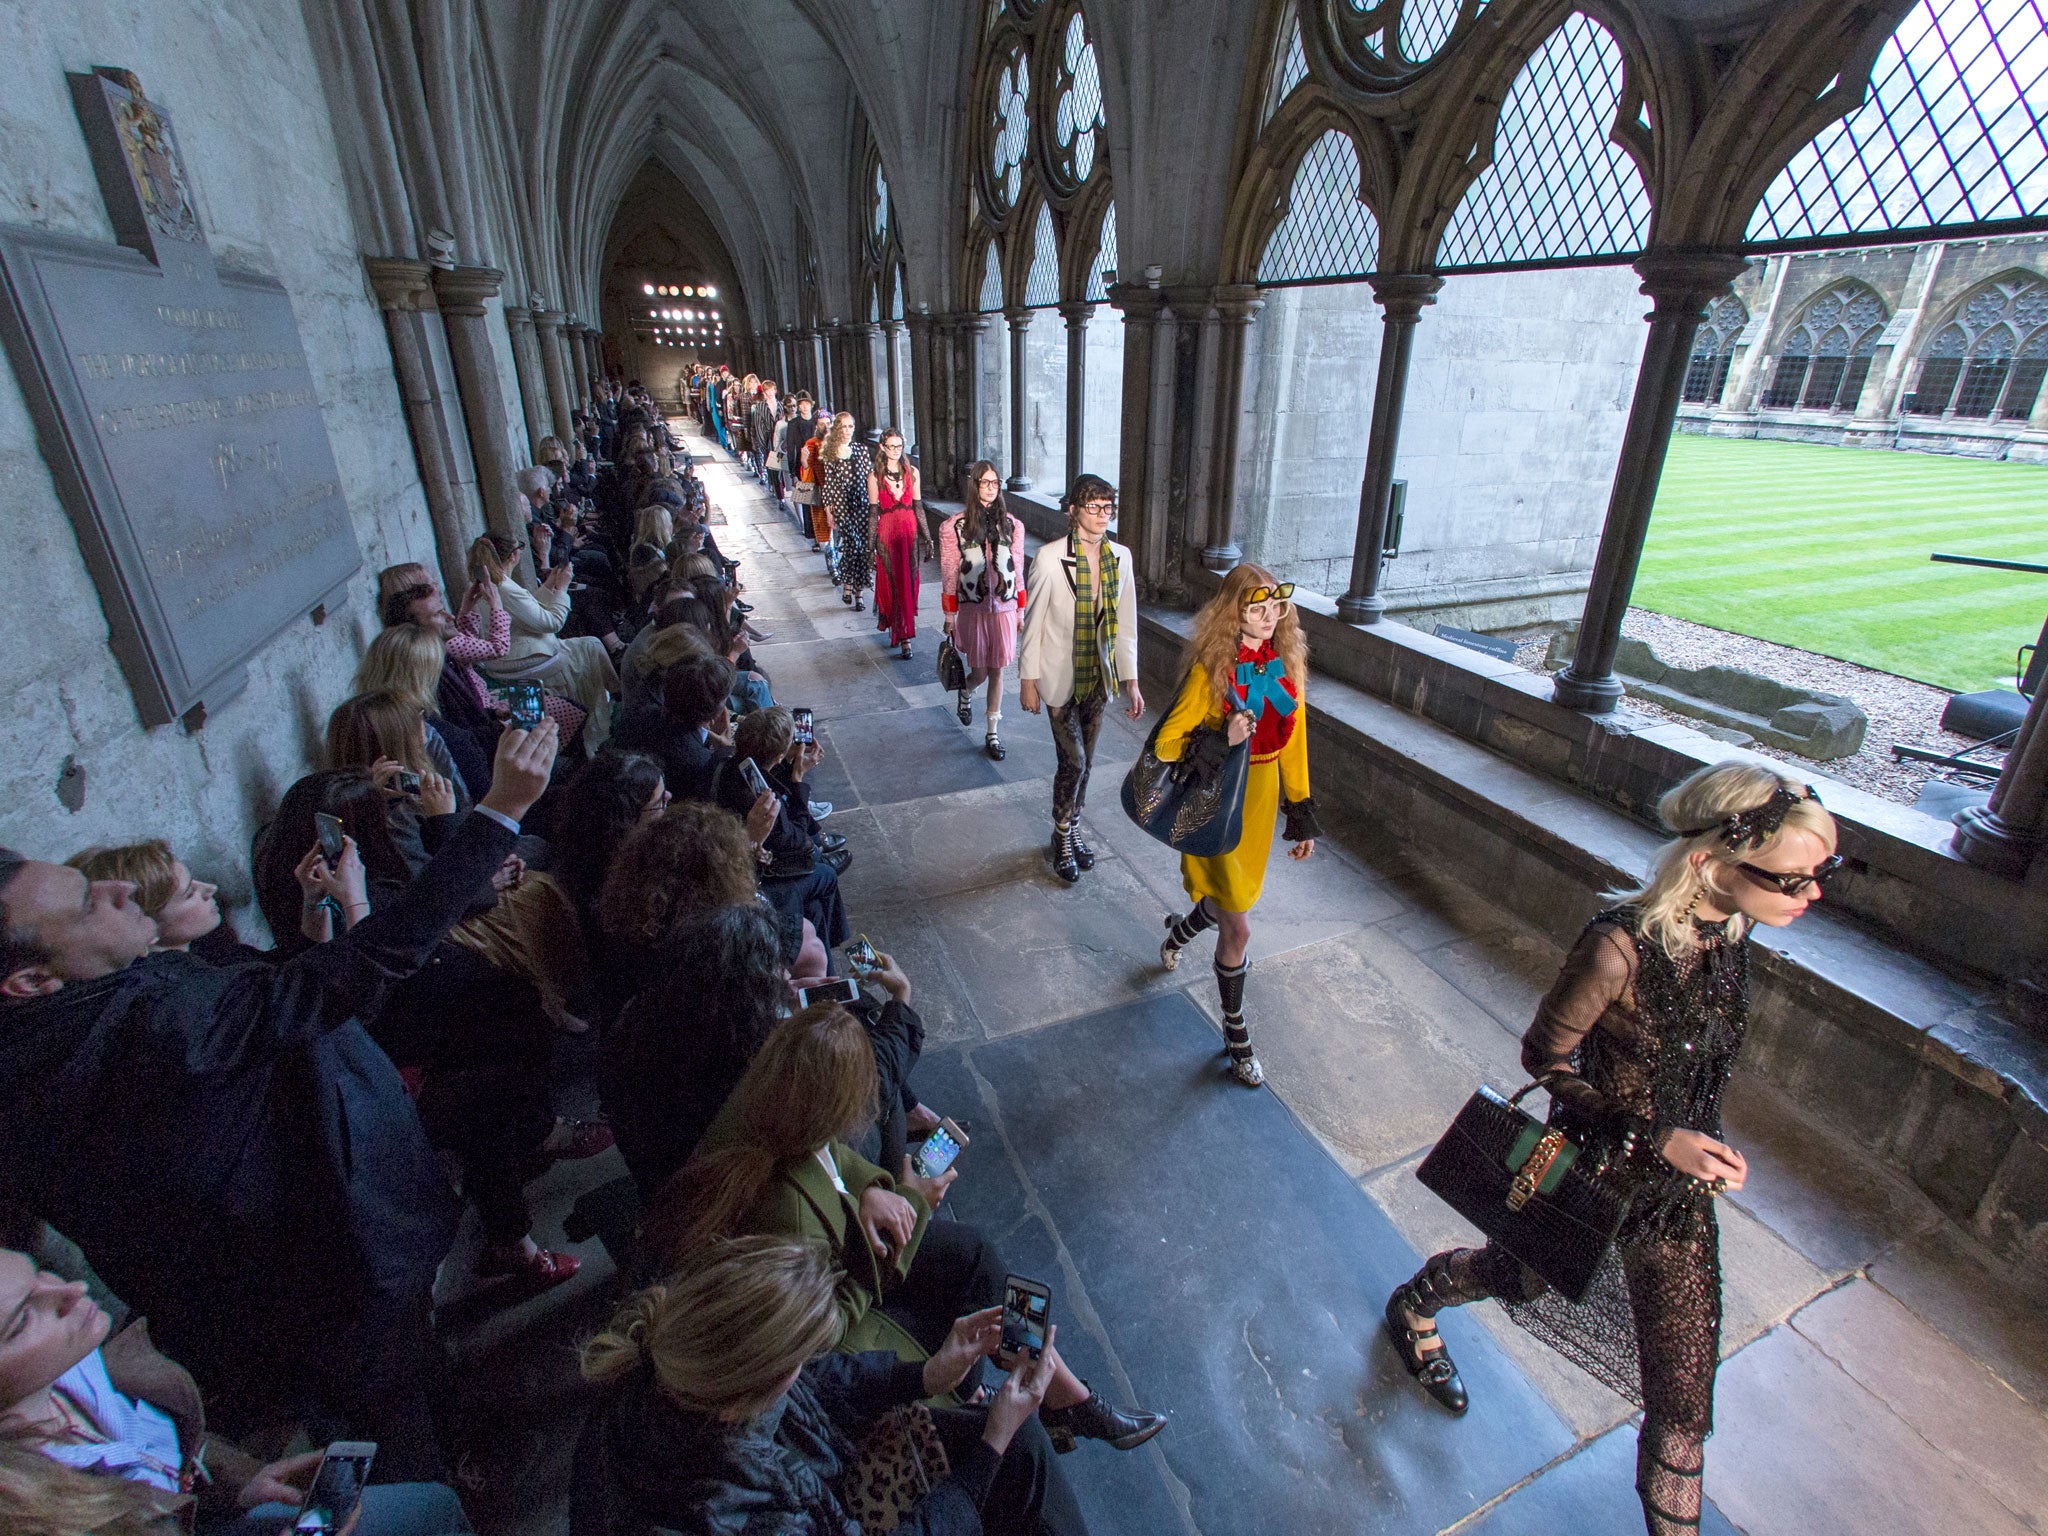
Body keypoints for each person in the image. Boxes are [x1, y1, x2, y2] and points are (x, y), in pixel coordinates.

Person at [0, 724, 559, 1478]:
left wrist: (310, 934)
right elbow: (346, 977)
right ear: (31, 982)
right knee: (392, 1412)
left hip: (267, 1289)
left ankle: (449, 1445)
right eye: (86, 899)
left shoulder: (46, 1048)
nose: (116, 888)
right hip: (325, 1265)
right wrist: (497, 814)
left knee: (390, 1386)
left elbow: (271, 1012)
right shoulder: (142, 1026)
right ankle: (446, 1486)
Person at [1385, 765, 1840, 1536]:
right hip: (1594, 1170)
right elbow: (1545, 1060)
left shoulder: (1732, 929)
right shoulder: (1616, 948)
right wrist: (1656, 1136)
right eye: (1794, 879)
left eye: (1821, 875)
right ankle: (1417, 1301)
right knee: (1517, 1278)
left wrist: (1693, 1145)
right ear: (1707, 862)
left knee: (1683, 1403)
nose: (1813, 895)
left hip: (1673, 1201)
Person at [579, 1236, 1091, 1536]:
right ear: (752, 1395)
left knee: (1020, 1443)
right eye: (801, 1358)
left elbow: (818, 1386)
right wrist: (990, 1446)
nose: (810, 1365)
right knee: (1011, 1447)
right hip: (830, 1505)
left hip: (823, 1478)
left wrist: (925, 1375)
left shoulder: (679, 1370)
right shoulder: (727, 1511)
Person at [0, 1246, 470, 1536]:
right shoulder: (32, 1515)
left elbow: (157, 1458)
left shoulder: (72, 1371)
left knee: (431, 1506)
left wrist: (236, 1488)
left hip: (209, 1517)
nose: (73, 1288)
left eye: (39, 1271)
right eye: (21, 1320)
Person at [1151, 564, 1320, 1088]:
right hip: (1220, 797)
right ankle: (1235, 1032)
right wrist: (1221, 736)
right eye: (1256, 608)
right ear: (1233, 612)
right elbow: (1166, 742)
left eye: (1277, 609)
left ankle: (1179, 932)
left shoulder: (1285, 664)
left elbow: (1294, 742)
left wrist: (1301, 811)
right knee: (1239, 926)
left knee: (1230, 904)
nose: (1269, 618)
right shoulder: (1212, 671)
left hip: (1263, 800)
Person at [1017, 475, 1142, 885]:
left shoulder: (1119, 558)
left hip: (1098, 677)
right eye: (1094, 507)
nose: (1103, 515)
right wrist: (1027, 679)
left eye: (1109, 507)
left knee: (1085, 764)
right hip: (1057, 675)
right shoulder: (1051, 558)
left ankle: (1071, 828)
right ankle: (1061, 835)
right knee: (1074, 760)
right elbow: (1032, 623)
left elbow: (1126, 625)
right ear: (1073, 510)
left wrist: (1132, 680)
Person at [468, 533, 619, 752]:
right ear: (514, 555)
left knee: (591, 644)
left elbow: (529, 613)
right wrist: (563, 589)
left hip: (508, 659)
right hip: (524, 662)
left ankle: (614, 694)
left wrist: (549, 586)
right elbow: (552, 622)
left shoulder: (487, 583)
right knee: (591, 646)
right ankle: (609, 704)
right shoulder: (504, 588)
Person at [940, 460, 1029, 762]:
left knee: (998, 670)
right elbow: (950, 571)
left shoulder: (1013, 525)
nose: (991, 488)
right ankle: (966, 692)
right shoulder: (955, 526)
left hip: (1003, 607)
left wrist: (1020, 610)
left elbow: (1017, 569)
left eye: (995, 483)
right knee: (979, 671)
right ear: (974, 484)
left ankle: (992, 732)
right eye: (985, 482)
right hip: (972, 608)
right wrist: (949, 614)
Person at [867, 428, 927, 660]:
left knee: (910, 583)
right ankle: (904, 637)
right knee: (893, 583)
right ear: (882, 447)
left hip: (909, 531)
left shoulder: (912, 472)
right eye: (891, 446)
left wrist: (928, 537)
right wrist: (869, 546)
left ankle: (902, 630)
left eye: (899, 446)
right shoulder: (874, 476)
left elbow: (919, 505)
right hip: (887, 532)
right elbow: (873, 512)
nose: (895, 451)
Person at [818, 413, 873, 611]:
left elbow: (869, 478)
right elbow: (829, 485)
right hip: (843, 507)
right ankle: (852, 587)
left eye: (851, 426)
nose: (848, 430)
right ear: (837, 429)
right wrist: (828, 510)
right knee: (854, 545)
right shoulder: (830, 453)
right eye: (844, 426)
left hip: (862, 506)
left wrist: (875, 507)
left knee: (858, 549)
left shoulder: (861, 450)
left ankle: (855, 590)